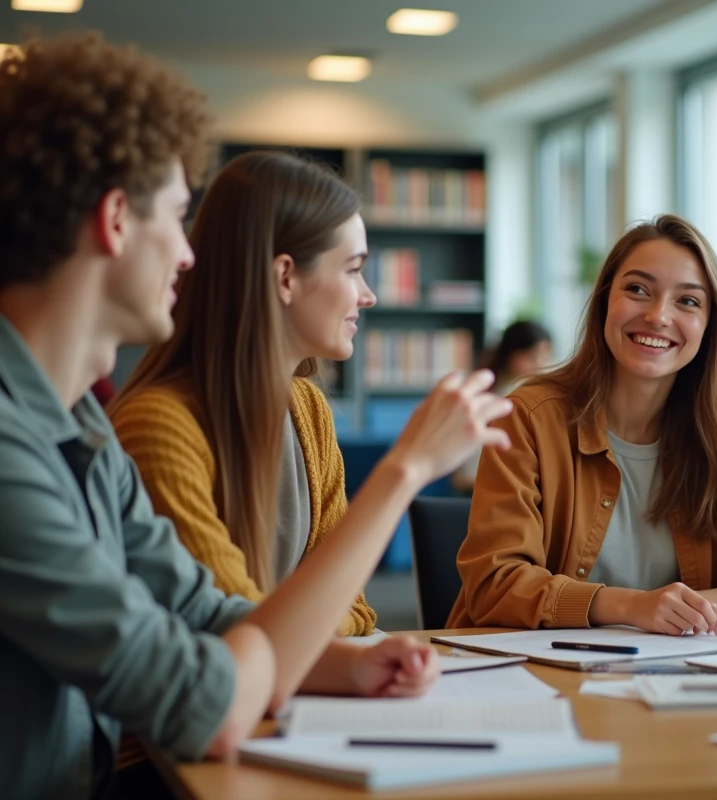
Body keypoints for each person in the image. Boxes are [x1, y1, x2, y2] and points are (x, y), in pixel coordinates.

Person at [0, 34, 510, 798]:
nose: (187, 254)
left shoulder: (80, 422)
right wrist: (403, 473)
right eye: (175, 218)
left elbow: (209, 613)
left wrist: (346, 662)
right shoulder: (25, 449)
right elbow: (202, 700)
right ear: (114, 221)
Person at [448, 215, 717, 633]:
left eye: (687, 301)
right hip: (535, 679)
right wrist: (632, 607)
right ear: (604, 300)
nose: (658, 316)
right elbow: (495, 584)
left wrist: (699, 608)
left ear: (708, 326)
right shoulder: (527, 417)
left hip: (681, 680)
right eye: (637, 290)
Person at [108, 151, 379, 635]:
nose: (367, 294)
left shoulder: (309, 411)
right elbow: (239, 629)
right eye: (353, 269)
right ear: (285, 277)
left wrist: (305, 626)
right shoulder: (158, 426)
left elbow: (354, 602)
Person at [451, 319, 553, 493]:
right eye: (532, 357)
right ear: (512, 356)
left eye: (545, 357)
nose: (541, 365)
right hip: (479, 487)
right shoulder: (510, 396)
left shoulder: (492, 388)